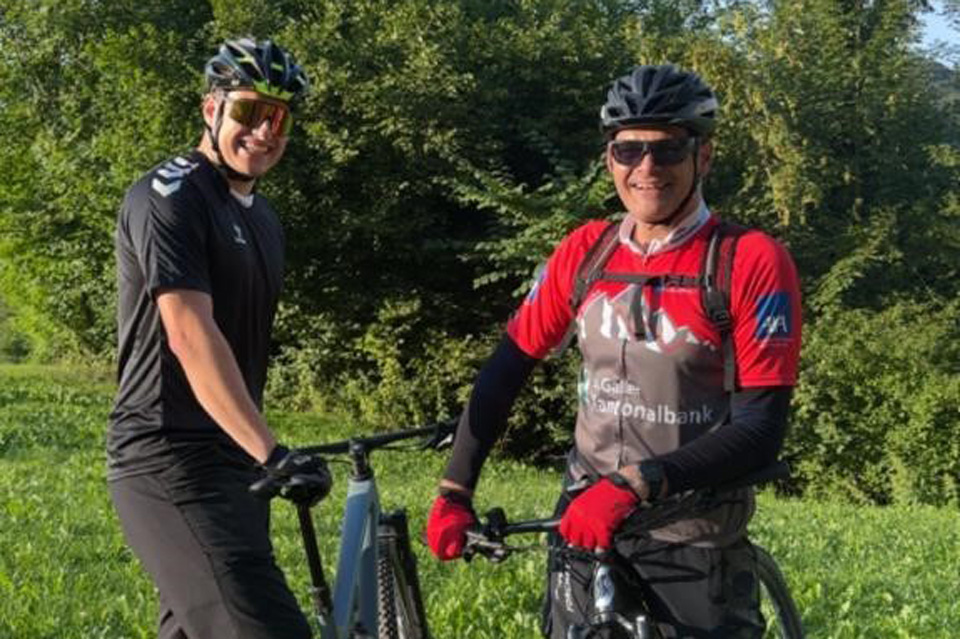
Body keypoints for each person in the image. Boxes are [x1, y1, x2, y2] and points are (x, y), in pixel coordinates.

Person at [426, 64, 802, 638]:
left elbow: (760, 430)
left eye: (668, 149)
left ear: (703, 156)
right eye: (629, 150)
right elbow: (506, 370)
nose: (647, 168)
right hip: (584, 521)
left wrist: (637, 482)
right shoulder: (586, 252)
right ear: (609, 159)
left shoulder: (748, 260)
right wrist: (455, 490)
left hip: (691, 536)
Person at [108, 38, 328, 639]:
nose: (264, 132)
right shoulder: (169, 197)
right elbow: (189, 333)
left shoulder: (263, 218)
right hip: (169, 459)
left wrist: (256, 455)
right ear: (212, 108)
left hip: (234, 465)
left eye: (279, 118)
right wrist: (273, 452)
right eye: (250, 112)